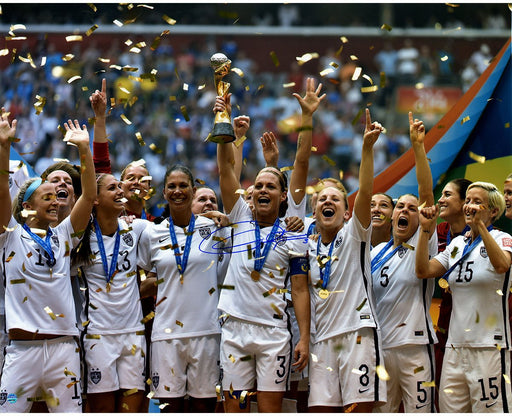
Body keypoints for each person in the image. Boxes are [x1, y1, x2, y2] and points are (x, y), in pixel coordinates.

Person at [216, 101, 310, 412]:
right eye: (258, 186)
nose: (263, 190)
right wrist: (224, 123)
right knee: (235, 410)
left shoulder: (293, 230)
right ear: (250, 193)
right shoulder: (240, 216)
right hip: (235, 328)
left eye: (271, 186)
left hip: (273, 333)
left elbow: (299, 288)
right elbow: (226, 170)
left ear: (283, 196)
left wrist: (304, 338)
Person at [0, 111, 96, 412]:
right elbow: (2, 190)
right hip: (21, 352)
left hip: (63, 350)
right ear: (27, 206)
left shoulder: (64, 234)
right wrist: (3, 148)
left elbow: (90, 195)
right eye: (47, 197)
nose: (56, 201)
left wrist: (84, 149)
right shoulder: (9, 236)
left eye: (57, 196)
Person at [307, 108, 384, 412]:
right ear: (314, 213)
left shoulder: (355, 235)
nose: (327, 201)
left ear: (347, 211)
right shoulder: (306, 248)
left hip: (357, 332)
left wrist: (366, 149)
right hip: (321, 339)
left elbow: (365, 192)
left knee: (359, 409)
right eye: (321, 199)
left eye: (335, 199)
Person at [137, 164, 229, 413]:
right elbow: (145, 280)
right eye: (172, 187)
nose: (178, 191)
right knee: (170, 408)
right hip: (166, 335)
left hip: (207, 332)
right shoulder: (151, 234)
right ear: (164, 193)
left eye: (183, 185)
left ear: (193, 189)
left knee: (204, 407)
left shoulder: (213, 229)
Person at [416, 181, 512, 413]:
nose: (469, 206)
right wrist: (425, 230)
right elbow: (423, 271)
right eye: (468, 201)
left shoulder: (502, 238)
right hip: (454, 348)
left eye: (477, 202)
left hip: (489, 346)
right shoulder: (457, 244)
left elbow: (502, 265)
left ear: (494, 212)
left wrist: (480, 227)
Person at [371, 112, 437, 413]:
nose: (406, 211)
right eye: (400, 206)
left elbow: (426, 196)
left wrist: (418, 148)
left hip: (415, 347)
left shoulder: (422, 241)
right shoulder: (374, 253)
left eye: (412, 209)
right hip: (381, 348)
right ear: (391, 213)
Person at [72, 172, 147, 413]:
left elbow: (177, 227)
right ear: (95, 199)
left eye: (120, 187)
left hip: (134, 333)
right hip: (98, 335)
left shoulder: (135, 229)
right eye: (112, 188)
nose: (120, 191)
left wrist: (211, 216)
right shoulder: (81, 238)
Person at [432, 177, 472, 408]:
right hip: (445, 331)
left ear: (465, 201)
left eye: (447, 194)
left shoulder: (483, 236)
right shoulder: (438, 232)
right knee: (445, 403)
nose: (441, 199)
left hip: (474, 335)